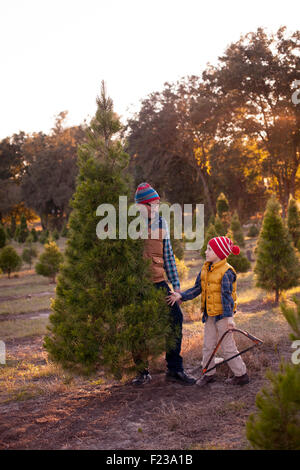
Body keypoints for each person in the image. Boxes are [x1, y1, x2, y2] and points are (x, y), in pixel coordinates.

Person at [131, 182, 196, 386]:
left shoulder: (162, 223)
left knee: (175, 318)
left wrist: (176, 285)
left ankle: (175, 369)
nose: (158, 207)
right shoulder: (129, 225)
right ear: (142, 206)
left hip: (158, 283)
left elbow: (168, 255)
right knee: (137, 328)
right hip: (137, 287)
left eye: (158, 203)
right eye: (154, 203)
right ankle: (142, 372)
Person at [167, 236, 249, 387]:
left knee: (227, 346)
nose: (206, 251)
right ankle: (208, 373)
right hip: (210, 313)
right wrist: (181, 295)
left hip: (224, 315)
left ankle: (241, 374)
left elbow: (227, 297)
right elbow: (197, 288)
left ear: (219, 253)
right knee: (208, 344)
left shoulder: (226, 272)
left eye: (209, 249)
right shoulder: (206, 268)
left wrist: (230, 318)